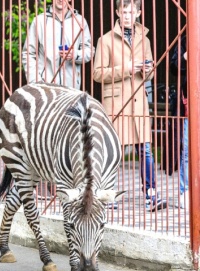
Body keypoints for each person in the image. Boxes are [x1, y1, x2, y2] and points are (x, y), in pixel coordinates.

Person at [93, 0, 167, 211]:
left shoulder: (145, 39)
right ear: (117, 13)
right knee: (113, 151)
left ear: (138, 13)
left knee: (145, 150)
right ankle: (109, 194)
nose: (127, 15)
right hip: (116, 103)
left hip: (139, 103)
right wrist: (125, 68)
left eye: (131, 11)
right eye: (123, 11)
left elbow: (151, 71)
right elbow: (97, 73)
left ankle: (151, 194)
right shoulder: (105, 40)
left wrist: (147, 70)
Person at [21, 0, 93, 89]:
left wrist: (75, 55)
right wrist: (36, 83)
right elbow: (28, 53)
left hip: (71, 89)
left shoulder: (80, 21)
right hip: (46, 87)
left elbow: (89, 51)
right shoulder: (39, 21)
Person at [170, 34, 189, 209]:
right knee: (188, 152)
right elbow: (173, 67)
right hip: (190, 103)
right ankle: (186, 191)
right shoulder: (184, 39)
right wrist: (184, 57)